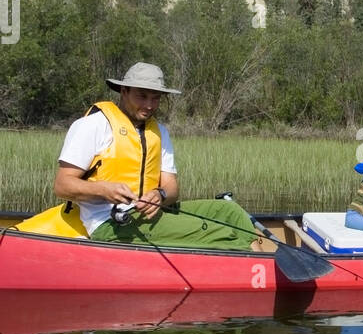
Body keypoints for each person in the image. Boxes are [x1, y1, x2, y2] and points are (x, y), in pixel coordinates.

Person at [51, 62, 260, 249]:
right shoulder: (93, 125)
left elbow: (171, 188)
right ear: (124, 91)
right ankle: (255, 272)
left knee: (229, 211)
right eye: (141, 96)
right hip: (111, 223)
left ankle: (263, 267)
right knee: (219, 232)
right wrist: (103, 189)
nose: (149, 105)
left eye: (155, 98)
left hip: (151, 215)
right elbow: (62, 186)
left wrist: (160, 195)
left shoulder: (159, 132)